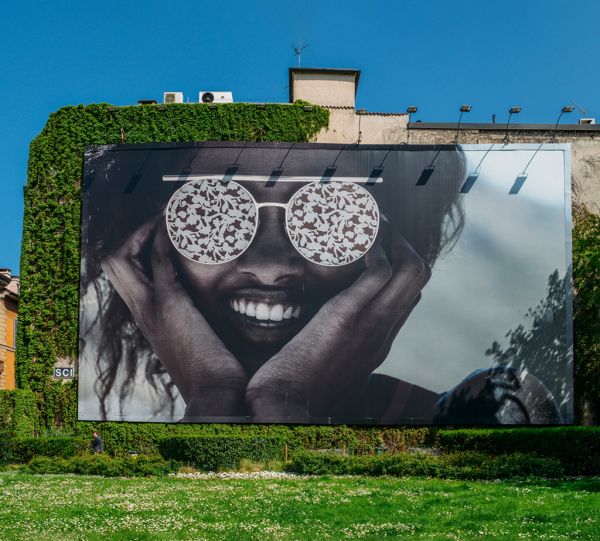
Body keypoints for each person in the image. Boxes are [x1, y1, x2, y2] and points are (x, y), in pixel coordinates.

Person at [81, 142, 562, 425]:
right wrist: (215, 397)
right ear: (146, 244)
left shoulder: (494, 412)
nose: (270, 267)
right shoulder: (101, 440)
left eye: (329, 215)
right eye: (212, 212)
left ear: (392, 244)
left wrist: (281, 402)